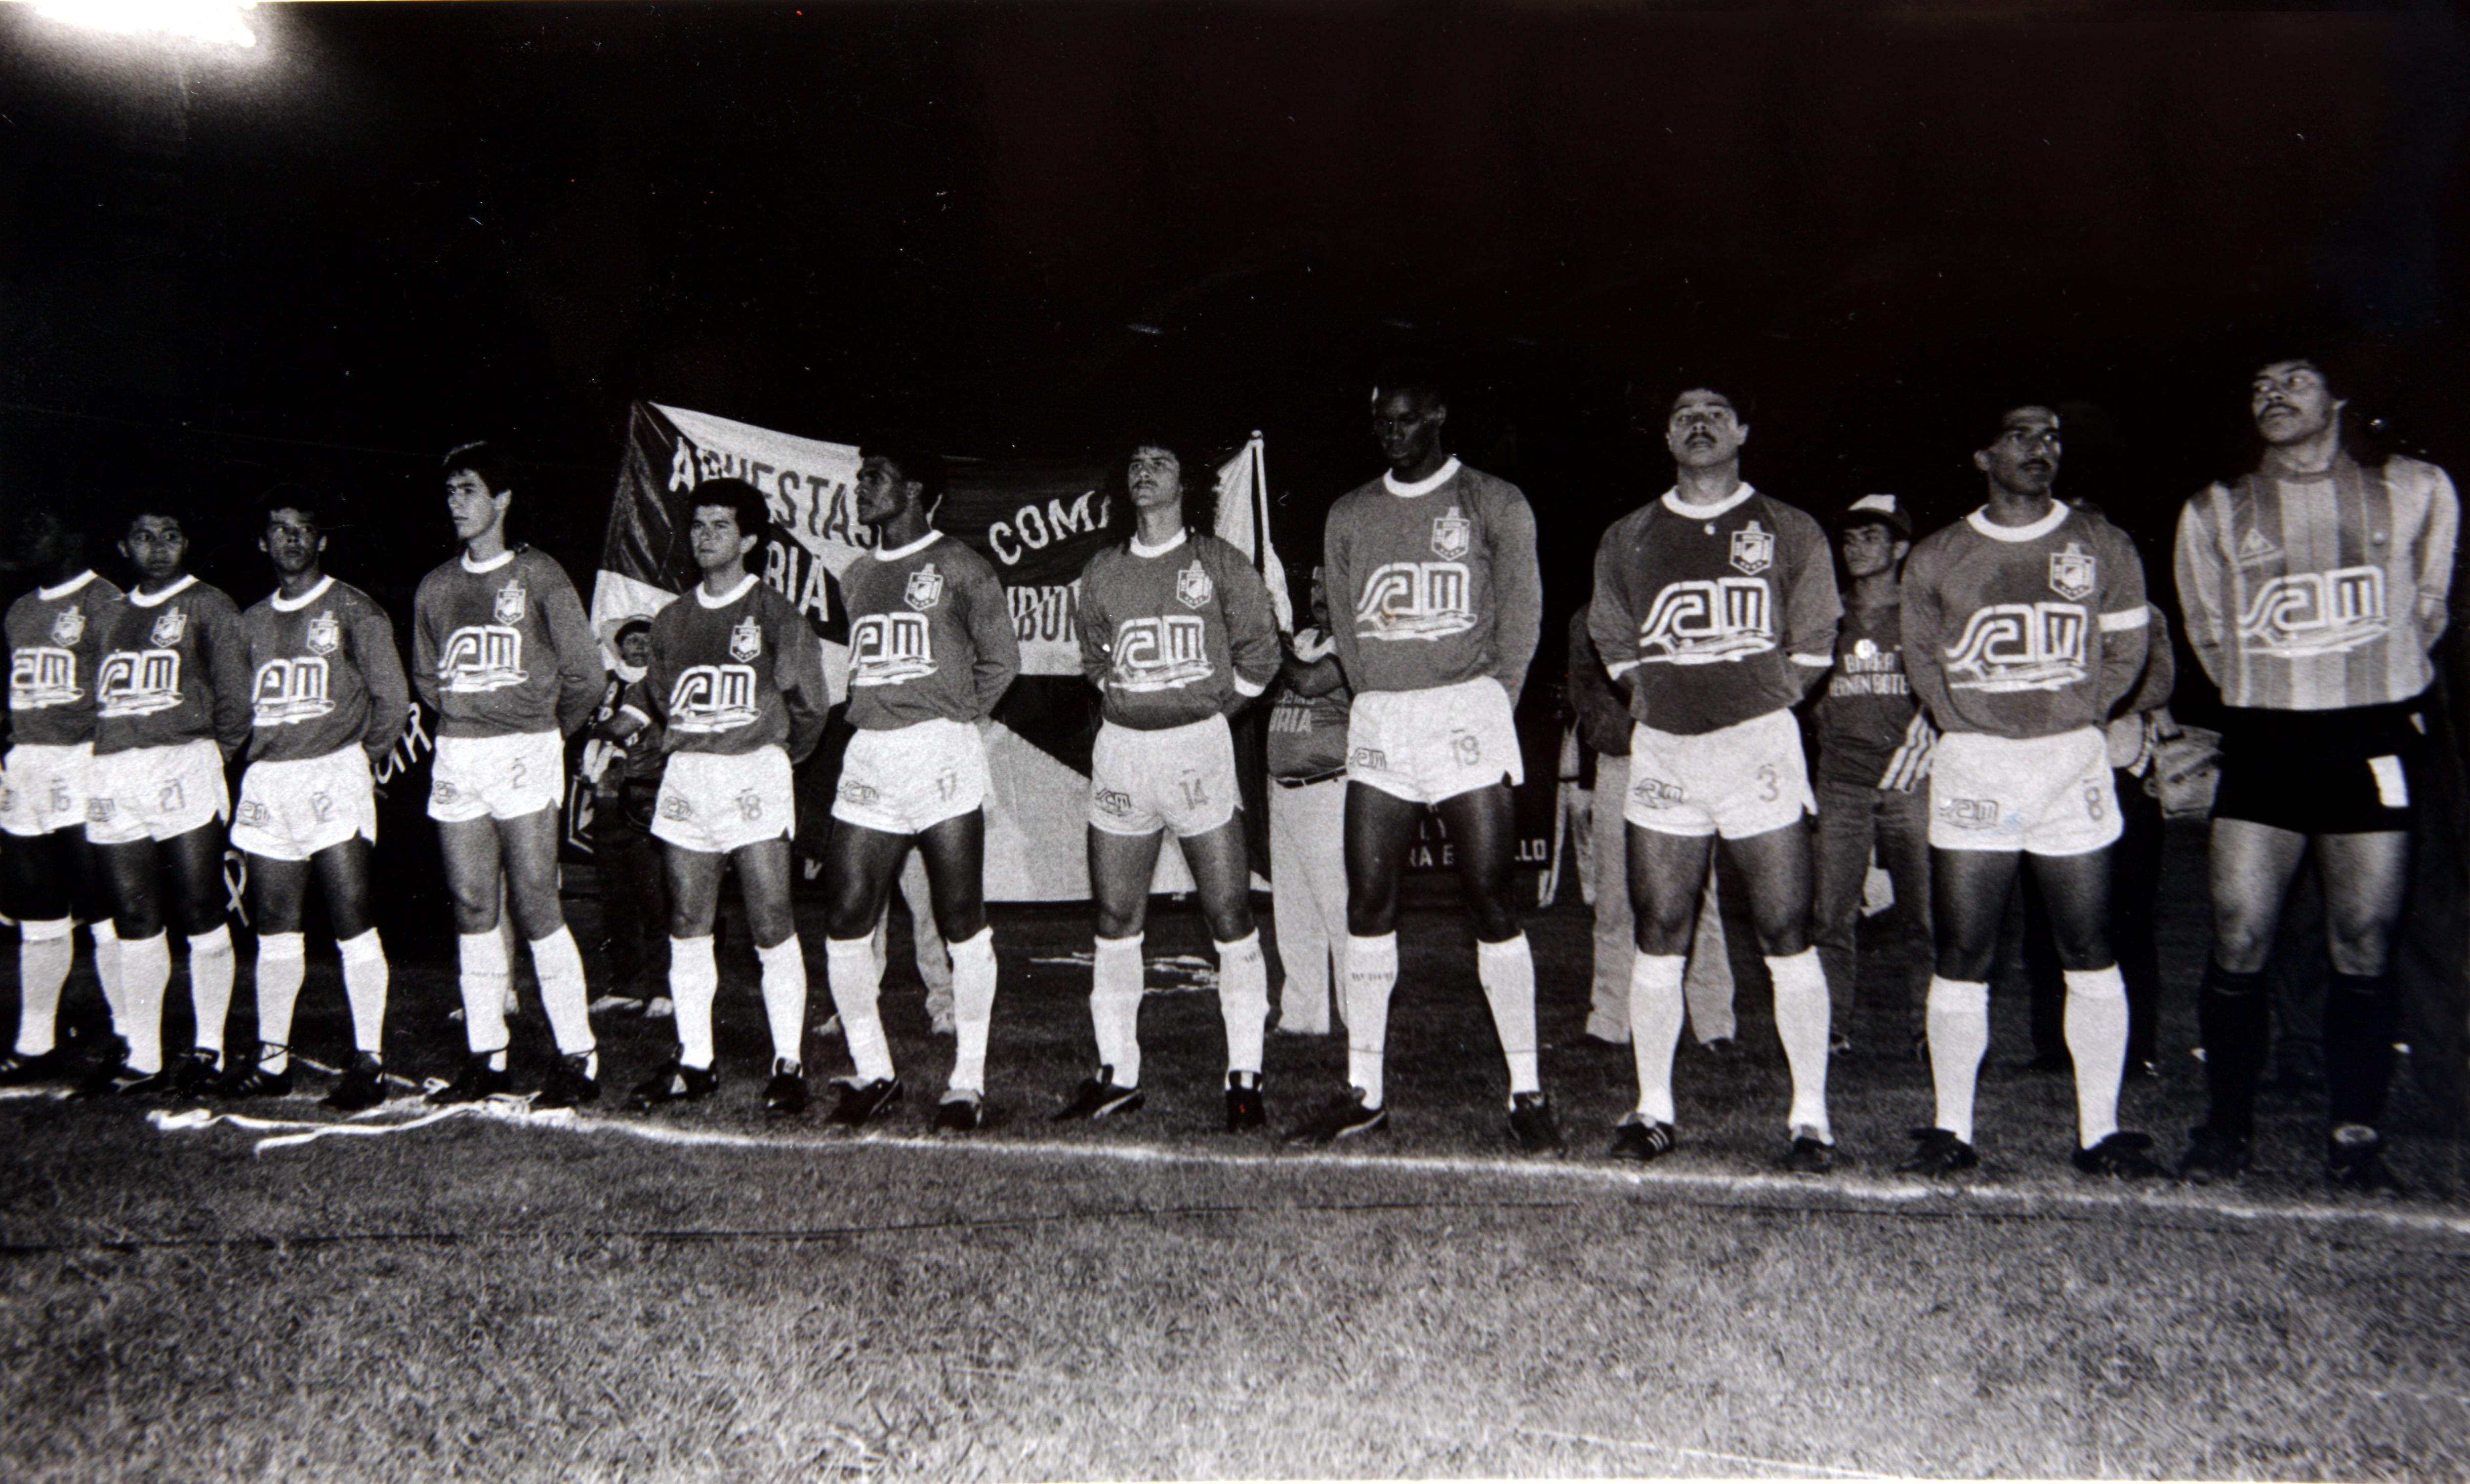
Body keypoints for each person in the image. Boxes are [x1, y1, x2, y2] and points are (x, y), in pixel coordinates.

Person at [2173, 357, 2457, 1192]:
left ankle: (2356, 1133)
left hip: (2368, 742)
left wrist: (2364, 679)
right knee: (2239, 934)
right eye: (2258, 386)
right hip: (2267, 744)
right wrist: (2281, 687)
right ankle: (2226, 1128)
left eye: (2295, 381)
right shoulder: (2217, 508)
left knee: (2364, 942)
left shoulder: (2411, 489)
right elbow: (2210, 633)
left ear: (2337, 402)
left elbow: (2429, 609)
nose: (2273, 394)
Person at [1286, 379, 1559, 1152]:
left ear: (1439, 417)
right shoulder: (1350, 512)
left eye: (1409, 419)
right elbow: (1345, 618)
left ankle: (1527, 1090)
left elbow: (1523, 610)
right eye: (1382, 422)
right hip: (1384, 718)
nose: (1394, 432)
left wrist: (1493, 699)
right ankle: (1364, 1089)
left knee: (1489, 895)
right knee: (1368, 900)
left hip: (1465, 709)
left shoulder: (1491, 499)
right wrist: (1378, 696)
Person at [1898, 404, 2161, 1179]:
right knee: (1964, 949)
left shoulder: (2102, 544)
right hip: (1977, 763)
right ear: (1983, 453)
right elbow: (1922, 659)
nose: (2041, 449)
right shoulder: (1942, 553)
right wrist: (1964, 722)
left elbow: (2128, 650)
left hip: (2068, 762)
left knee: (2089, 945)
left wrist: (2078, 715)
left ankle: (2100, 1132)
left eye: (2051, 437)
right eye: (2021, 436)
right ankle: (1952, 1129)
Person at [1587, 387, 1841, 1171]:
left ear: (1743, 431)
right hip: (1666, 748)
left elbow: (1815, 644)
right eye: (1684, 415)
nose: (1700, 424)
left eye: (1717, 413)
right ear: (1667, 437)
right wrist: (1666, 697)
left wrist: (1750, 702)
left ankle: (1810, 1120)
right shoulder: (1630, 534)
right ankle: (1653, 1109)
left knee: (1785, 931)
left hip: (1758, 746)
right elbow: (1613, 638)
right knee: (1660, 932)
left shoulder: (1788, 527)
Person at [1064, 439, 1280, 1132]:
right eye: (1134, 463)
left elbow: (1262, 653)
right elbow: (1096, 663)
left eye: (1160, 461)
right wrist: (1140, 701)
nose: (1144, 472)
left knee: (1228, 913)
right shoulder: (1102, 571)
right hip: (1124, 752)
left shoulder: (1217, 562)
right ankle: (1118, 1074)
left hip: (1197, 749)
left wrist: (1212, 711)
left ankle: (1244, 1076)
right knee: (1116, 919)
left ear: (1188, 482)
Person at [815, 450, 1017, 1131]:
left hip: (941, 746)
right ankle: (874, 1071)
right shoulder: (858, 574)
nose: (861, 488)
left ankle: (969, 1079)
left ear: (915, 490)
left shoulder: (961, 565)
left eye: (875, 477)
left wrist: (956, 716)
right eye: (860, 478)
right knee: (845, 914)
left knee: (959, 915)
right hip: (871, 751)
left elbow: (1002, 661)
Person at [622, 478, 829, 1115]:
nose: (704, 536)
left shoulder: (774, 613)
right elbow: (659, 700)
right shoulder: (672, 620)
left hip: (753, 772)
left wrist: (770, 755)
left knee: (770, 919)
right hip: (688, 774)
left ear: (748, 540)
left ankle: (787, 1061)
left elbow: (810, 707)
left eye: (719, 526)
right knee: (688, 923)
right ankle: (694, 1060)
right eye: (697, 525)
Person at [413, 441, 607, 1108]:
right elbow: (429, 679)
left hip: (527, 747)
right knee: (473, 906)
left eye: (469, 489)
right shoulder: (436, 586)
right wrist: (474, 714)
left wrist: (548, 729)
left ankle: (577, 1055)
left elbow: (587, 674)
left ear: (501, 500)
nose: (457, 503)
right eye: (450, 492)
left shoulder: (541, 576)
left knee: (534, 901)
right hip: (461, 751)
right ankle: (487, 1057)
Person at [214, 488, 411, 1109]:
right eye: (279, 529)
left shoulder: (355, 609)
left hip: (333, 772)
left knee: (352, 918)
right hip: (271, 777)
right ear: (262, 541)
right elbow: (234, 709)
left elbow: (393, 698)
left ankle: (369, 1061)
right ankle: (272, 1059)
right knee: (276, 926)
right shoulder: (247, 622)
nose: (290, 540)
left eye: (303, 530)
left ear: (322, 540)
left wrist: (363, 756)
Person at [77, 502, 252, 1097]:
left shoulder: (208, 604)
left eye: (170, 535)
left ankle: (209, 1047)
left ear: (186, 543)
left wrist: (211, 755)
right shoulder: (105, 615)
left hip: (184, 761)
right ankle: (145, 1054)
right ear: (123, 548)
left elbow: (236, 699)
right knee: (133, 912)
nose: (157, 547)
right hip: (114, 770)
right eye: (143, 536)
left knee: (200, 903)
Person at [1565, 609, 1738, 1052]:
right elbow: (1584, 690)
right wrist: (1611, 735)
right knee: (1614, 898)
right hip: (1621, 764)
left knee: (1696, 892)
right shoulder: (1588, 618)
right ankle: (1609, 1021)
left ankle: (1714, 1022)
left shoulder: (1676, 601)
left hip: (1678, 755)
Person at [2018, 595, 2173, 1081]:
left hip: (2120, 770)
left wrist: (2071, 690)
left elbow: (2156, 683)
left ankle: (2134, 1048)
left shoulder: (2140, 611)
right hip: (2048, 773)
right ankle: (2053, 1044)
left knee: (2127, 914)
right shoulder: (2031, 607)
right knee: (2045, 915)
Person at [0, 507, 127, 1083]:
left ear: (74, 535)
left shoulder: (107, 603)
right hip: (26, 765)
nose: (27, 537)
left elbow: (120, 697)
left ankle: (131, 1035)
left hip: (83, 763)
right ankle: (35, 1041)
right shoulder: (20, 610)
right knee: (37, 909)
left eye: (39, 525)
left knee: (102, 906)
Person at [1810, 494, 1935, 1060]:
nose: (1856, 546)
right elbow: (1808, 689)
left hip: (1910, 780)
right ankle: (1831, 1026)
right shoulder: (1829, 614)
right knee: (1830, 914)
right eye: (1849, 537)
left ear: (1900, 547)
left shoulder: (1922, 614)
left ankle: (1928, 1028)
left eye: (1871, 537)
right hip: (1841, 782)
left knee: (1924, 915)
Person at [1265, 565, 1351, 1037]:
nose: (1319, 593)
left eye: (1329, 584)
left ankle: (1360, 1016)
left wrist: (1273, 638)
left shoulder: (1353, 644)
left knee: (1339, 907)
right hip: (1285, 789)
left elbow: (1308, 682)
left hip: (1328, 788)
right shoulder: (1301, 638)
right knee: (1294, 910)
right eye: (1314, 583)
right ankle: (1302, 1015)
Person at [584, 617, 670, 1017]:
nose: (638, 646)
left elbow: (620, 730)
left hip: (648, 795)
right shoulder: (604, 685)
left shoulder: (664, 684)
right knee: (616, 897)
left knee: (655, 896)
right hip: (606, 796)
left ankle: (662, 988)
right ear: (619, 647)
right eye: (631, 640)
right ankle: (626, 984)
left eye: (645, 640)